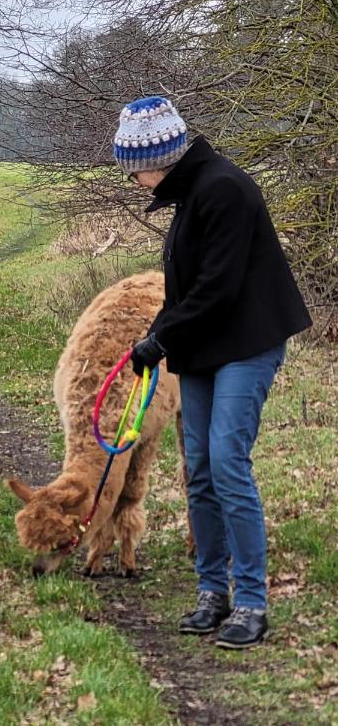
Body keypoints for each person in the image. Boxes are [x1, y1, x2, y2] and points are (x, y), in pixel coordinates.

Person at [114, 95, 311, 650]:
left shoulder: (224, 189)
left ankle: (250, 601)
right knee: (198, 468)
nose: (133, 181)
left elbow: (218, 289)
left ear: (162, 155)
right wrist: (156, 336)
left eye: (135, 169)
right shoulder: (189, 194)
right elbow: (186, 290)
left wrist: (159, 340)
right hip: (202, 349)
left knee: (227, 462)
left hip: (246, 344)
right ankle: (211, 592)